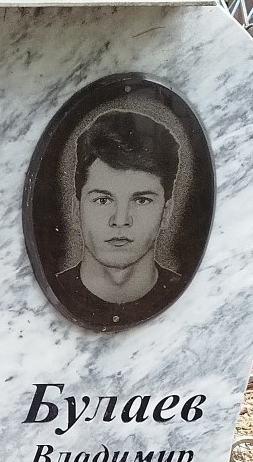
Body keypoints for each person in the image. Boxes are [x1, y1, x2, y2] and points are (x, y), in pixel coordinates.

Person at [54, 109, 185, 326]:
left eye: (141, 200)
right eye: (103, 200)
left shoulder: (190, 296)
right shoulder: (51, 291)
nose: (120, 220)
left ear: (166, 212)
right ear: (76, 210)